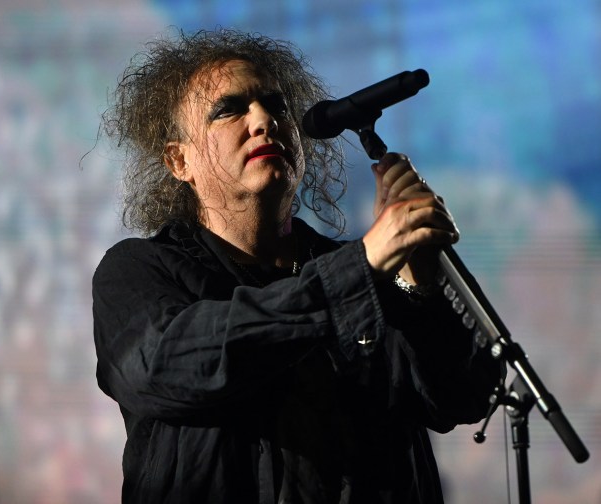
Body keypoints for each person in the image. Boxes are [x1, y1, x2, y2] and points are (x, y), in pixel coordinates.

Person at [92, 28, 503, 504]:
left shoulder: (359, 269)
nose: (264, 119)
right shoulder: (138, 269)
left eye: (276, 104)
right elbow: (172, 366)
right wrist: (362, 267)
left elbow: (460, 398)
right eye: (230, 109)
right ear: (179, 161)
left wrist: (419, 287)